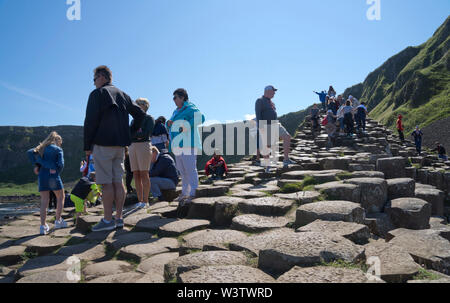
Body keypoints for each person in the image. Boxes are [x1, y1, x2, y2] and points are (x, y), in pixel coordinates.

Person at [84, 65, 146, 232]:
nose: (94, 83)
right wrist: (130, 133)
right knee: (118, 181)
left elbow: (90, 121)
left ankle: (107, 220)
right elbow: (140, 114)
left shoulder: (97, 94)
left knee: (106, 184)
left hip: (102, 144)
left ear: (103, 77)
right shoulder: (123, 94)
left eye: (94, 79)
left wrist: (87, 146)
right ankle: (119, 218)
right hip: (120, 145)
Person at [167, 88, 205, 207]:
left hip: (188, 143)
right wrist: (169, 124)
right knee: (182, 170)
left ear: (182, 97)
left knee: (190, 168)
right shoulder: (175, 111)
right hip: (178, 144)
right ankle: (185, 193)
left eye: (175, 97)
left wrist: (186, 125)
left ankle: (193, 193)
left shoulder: (189, 106)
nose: (173, 100)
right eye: (173, 98)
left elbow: (201, 118)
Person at [27, 131, 67, 235]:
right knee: (61, 197)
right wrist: (56, 170)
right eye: (60, 142)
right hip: (53, 176)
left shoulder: (41, 148)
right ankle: (58, 221)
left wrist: (37, 165)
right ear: (57, 140)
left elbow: (30, 152)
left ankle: (43, 226)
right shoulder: (58, 149)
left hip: (42, 176)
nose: (60, 144)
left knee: (44, 200)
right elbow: (61, 164)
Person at [255, 86, 294, 172]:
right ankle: (268, 166)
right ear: (267, 91)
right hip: (266, 125)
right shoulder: (259, 100)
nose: (274, 93)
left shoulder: (271, 102)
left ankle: (286, 159)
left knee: (287, 136)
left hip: (275, 124)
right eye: (273, 91)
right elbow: (258, 114)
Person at [129, 98, 155, 209]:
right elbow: (130, 134)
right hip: (132, 146)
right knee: (136, 174)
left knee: (144, 173)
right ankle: (140, 201)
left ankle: (146, 201)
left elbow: (145, 134)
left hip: (144, 145)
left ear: (145, 105)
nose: (136, 106)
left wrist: (135, 135)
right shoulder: (134, 120)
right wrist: (136, 135)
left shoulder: (149, 118)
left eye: (138, 104)